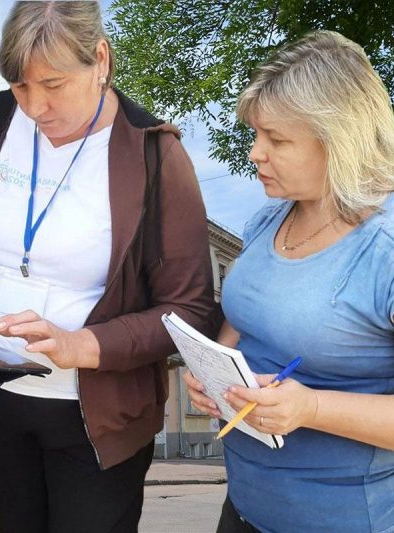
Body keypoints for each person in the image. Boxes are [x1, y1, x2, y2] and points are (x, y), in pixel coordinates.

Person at [0, 2, 215, 531]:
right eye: (20, 86)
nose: (36, 106)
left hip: (94, 417)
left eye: (54, 84)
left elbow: (190, 309)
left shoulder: (154, 153)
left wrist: (81, 346)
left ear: (100, 59)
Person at [184, 30, 394, 533]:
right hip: (243, 506)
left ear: (339, 140)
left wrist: (311, 406)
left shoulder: (384, 248)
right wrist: (214, 371)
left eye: (276, 139)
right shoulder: (266, 220)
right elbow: (242, 321)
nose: (256, 152)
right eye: (256, 134)